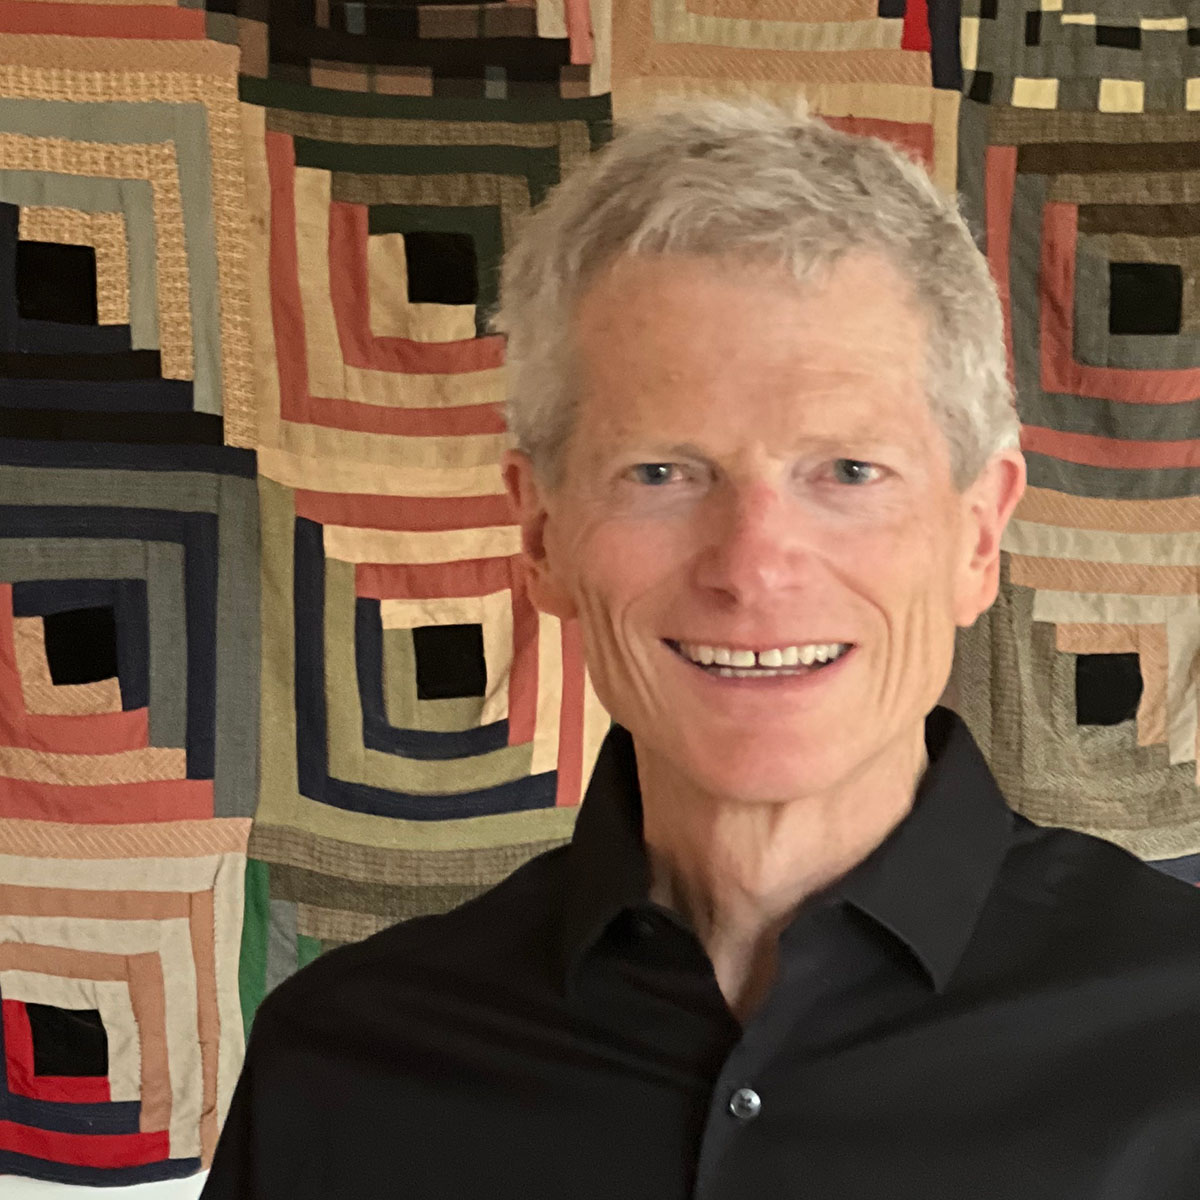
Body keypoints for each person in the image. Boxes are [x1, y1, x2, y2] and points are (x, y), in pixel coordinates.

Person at [201, 101, 1200, 1199]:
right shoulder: (342, 1067)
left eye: (848, 472)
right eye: (663, 473)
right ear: (541, 536)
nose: (753, 565)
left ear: (976, 537)